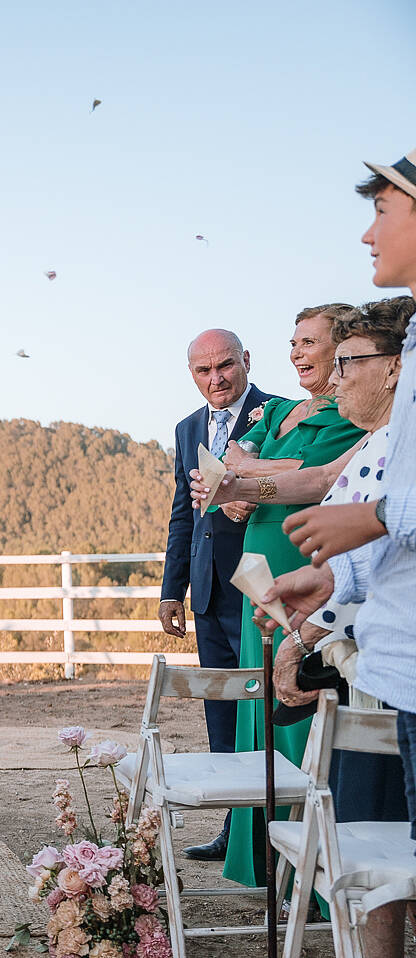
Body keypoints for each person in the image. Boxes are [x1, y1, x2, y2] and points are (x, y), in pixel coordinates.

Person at [265, 150, 416, 957]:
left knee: (378, 847)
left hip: (391, 661)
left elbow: (385, 511)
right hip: (387, 656)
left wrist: (369, 525)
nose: (367, 231)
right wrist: (329, 577)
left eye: (383, 209)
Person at [220, 304, 367, 888]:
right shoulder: (278, 407)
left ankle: (309, 872)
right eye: (294, 342)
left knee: (298, 708)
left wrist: (248, 478)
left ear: (341, 350)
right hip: (255, 571)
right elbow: (235, 455)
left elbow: (315, 476)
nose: (297, 353)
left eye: (310, 342)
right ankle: (257, 859)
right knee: (255, 704)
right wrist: (255, 472)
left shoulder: (346, 414)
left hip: (304, 571)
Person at [158, 329, 278, 861]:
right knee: (222, 717)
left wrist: (252, 498)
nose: (217, 379)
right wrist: (172, 590)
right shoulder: (188, 428)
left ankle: (272, 836)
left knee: (268, 712)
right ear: (192, 375)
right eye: (204, 371)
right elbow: (182, 513)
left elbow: (292, 488)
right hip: (207, 593)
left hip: (259, 589)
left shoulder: (278, 414)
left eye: (225, 366)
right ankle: (236, 834)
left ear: (245, 360)